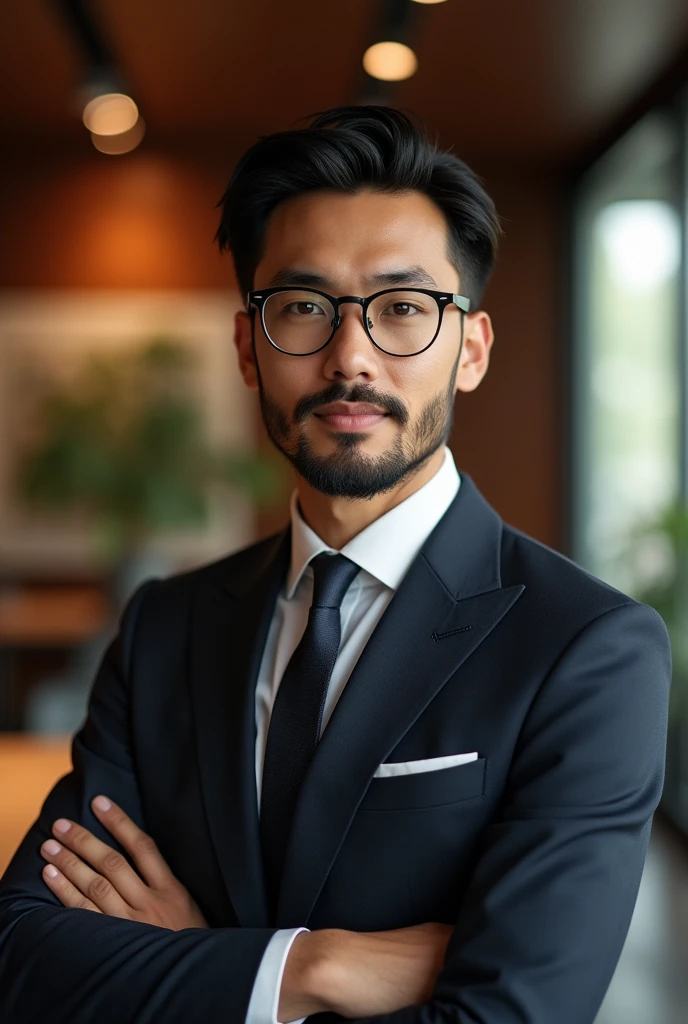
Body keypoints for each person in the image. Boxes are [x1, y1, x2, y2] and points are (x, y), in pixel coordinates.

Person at [0, 106, 671, 1024]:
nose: (350, 357)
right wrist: (306, 972)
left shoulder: (587, 649)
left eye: (404, 308)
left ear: (468, 350)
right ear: (249, 346)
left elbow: (511, 1015)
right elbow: (22, 956)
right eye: (303, 308)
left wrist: (192, 966)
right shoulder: (168, 624)